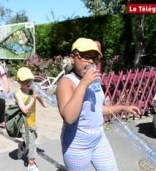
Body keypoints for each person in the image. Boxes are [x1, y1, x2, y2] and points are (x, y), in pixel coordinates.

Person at [56, 38, 141, 171]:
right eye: (85, 56)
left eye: (95, 58)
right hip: (77, 145)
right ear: (73, 58)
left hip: (99, 140)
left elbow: (97, 110)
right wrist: (84, 83)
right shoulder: (66, 82)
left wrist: (123, 107)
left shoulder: (94, 81)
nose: (91, 61)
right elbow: (69, 117)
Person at [14, 67, 46, 171]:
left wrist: (41, 98)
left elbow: (44, 104)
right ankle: (31, 164)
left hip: (32, 122)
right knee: (32, 144)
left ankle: (22, 146)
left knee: (33, 138)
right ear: (18, 81)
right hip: (24, 124)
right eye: (25, 81)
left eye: (30, 81)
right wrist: (33, 99)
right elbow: (24, 110)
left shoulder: (32, 91)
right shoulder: (18, 94)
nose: (28, 83)